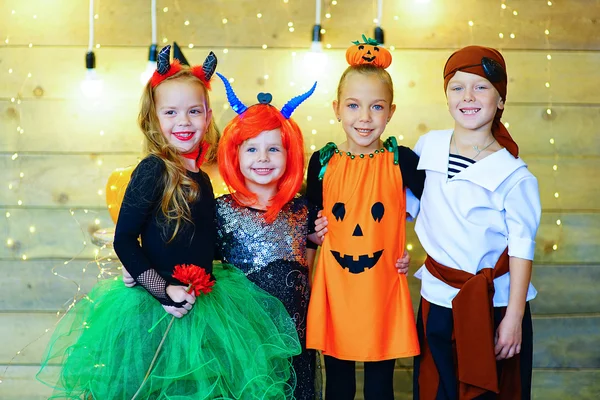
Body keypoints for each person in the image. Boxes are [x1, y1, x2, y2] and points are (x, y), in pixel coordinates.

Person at [36, 45, 300, 399]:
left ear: (207, 116)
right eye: (171, 112)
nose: (183, 121)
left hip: (205, 302)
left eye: (193, 111)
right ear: (154, 118)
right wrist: (161, 289)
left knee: (204, 386)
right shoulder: (153, 170)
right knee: (156, 384)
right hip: (159, 304)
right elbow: (125, 239)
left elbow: (205, 240)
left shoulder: (203, 179)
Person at [410, 45, 541, 399]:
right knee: (436, 388)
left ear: (500, 101)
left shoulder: (514, 176)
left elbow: (521, 249)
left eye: (481, 87)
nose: (468, 96)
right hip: (437, 296)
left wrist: (513, 319)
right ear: (447, 97)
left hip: (493, 306)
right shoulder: (428, 147)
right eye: (457, 87)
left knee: (490, 392)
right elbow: (401, 206)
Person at [305, 35, 425, 400]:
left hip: (381, 285)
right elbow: (308, 222)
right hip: (337, 284)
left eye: (376, 107)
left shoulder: (401, 160)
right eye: (354, 106)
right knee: (338, 384)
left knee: (379, 386)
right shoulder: (322, 162)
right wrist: (314, 233)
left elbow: (439, 210)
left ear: (390, 112)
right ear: (337, 108)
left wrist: (416, 256)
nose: (365, 117)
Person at [213, 72, 322, 399]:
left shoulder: (304, 210)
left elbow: (323, 254)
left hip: (296, 343)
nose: (263, 158)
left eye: (273, 148)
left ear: (290, 155)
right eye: (252, 150)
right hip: (244, 343)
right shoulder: (220, 211)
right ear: (235, 155)